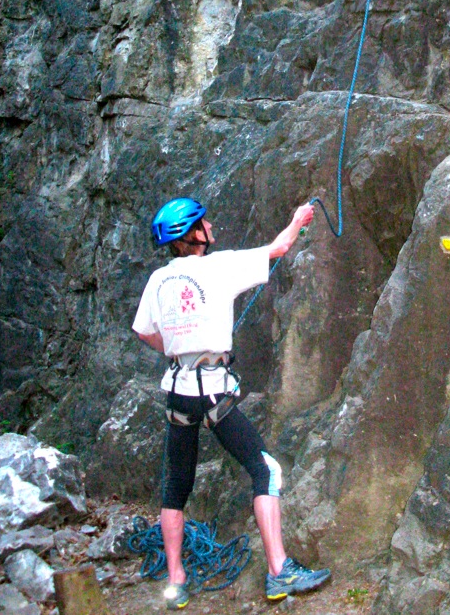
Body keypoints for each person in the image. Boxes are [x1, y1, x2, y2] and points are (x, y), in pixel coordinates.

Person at [132, 196, 330, 610]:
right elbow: (278, 248)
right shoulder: (218, 266)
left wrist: (175, 348)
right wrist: (299, 218)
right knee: (266, 469)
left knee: (175, 487)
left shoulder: (158, 280)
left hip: (178, 393)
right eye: (203, 223)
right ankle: (279, 570)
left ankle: (176, 581)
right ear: (193, 234)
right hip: (214, 393)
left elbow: (144, 331)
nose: (210, 226)